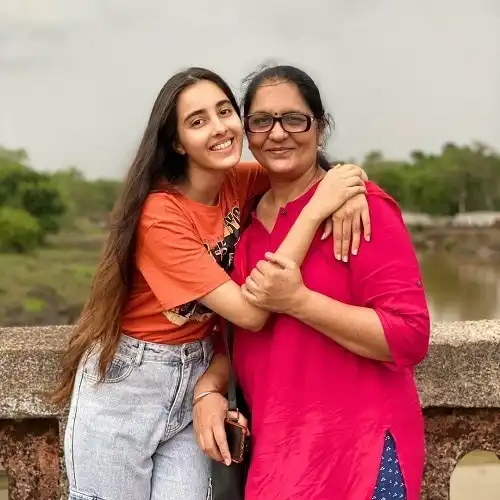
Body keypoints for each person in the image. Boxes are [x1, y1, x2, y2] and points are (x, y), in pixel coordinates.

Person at [51, 66, 370, 500]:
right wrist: (318, 210)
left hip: (199, 375)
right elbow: (250, 314)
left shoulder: (240, 181)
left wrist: (348, 187)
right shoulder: (161, 216)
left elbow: (307, 172)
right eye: (198, 121)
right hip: (130, 382)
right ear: (177, 143)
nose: (219, 128)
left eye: (224, 111)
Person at [193, 65, 430, 500]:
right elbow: (238, 337)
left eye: (294, 119)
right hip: (278, 463)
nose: (277, 133)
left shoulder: (362, 211)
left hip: (360, 457)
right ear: (248, 134)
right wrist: (207, 390)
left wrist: (299, 301)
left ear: (320, 127)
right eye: (262, 121)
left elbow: (410, 335)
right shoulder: (244, 225)